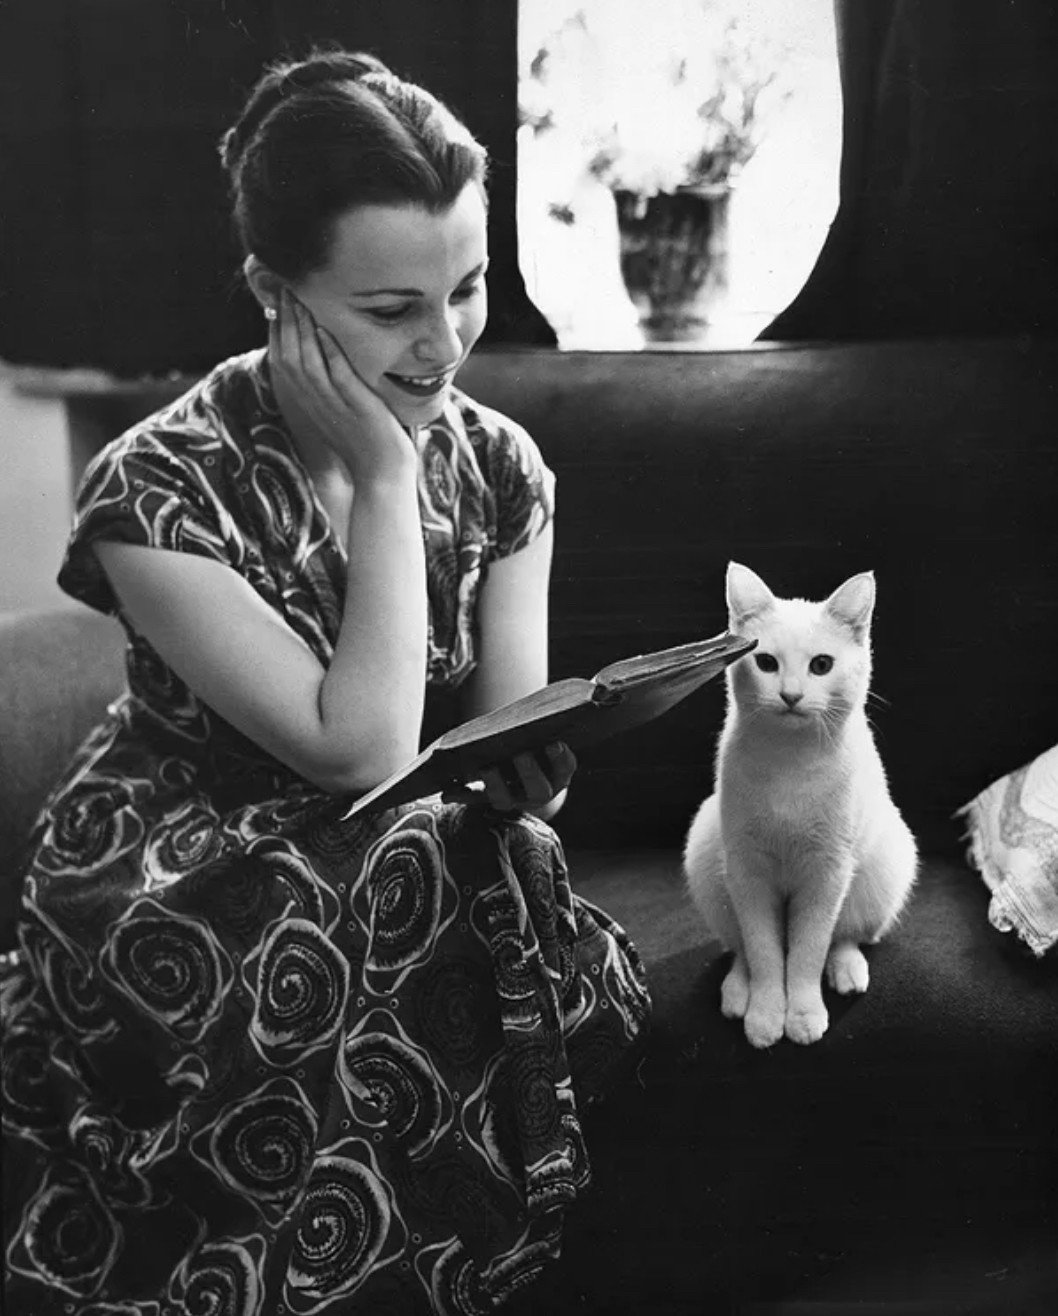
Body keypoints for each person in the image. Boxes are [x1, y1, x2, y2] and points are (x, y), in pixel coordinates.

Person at [0, 49, 650, 1315]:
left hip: (386, 859)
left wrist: (535, 775)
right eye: (391, 307)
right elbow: (354, 751)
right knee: (420, 869)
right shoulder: (153, 491)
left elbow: (494, 746)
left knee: (483, 860)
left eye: (464, 291)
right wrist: (390, 480)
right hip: (181, 867)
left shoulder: (504, 470)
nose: (444, 344)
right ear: (273, 293)